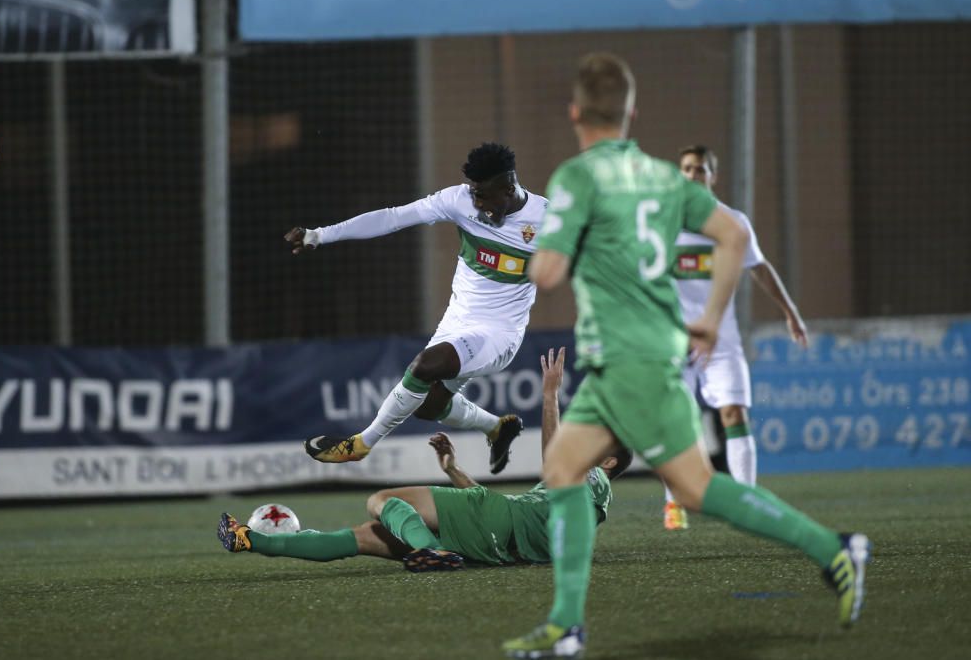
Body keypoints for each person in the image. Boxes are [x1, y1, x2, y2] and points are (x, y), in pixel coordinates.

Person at [502, 53, 869, 659]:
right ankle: (566, 625)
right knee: (572, 470)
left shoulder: (576, 178)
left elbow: (547, 272)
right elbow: (733, 236)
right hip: (645, 353)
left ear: (574, 114)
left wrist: (545, 238)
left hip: (632, 357)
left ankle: (834, 549)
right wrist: (711, 314)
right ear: (631, 114)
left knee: (685, 487)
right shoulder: (665, 178)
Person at [217, 347, 631, 570]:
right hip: (492, 545)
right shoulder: (576, 499)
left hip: (493, 528)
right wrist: (454, 472)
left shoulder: (595, 481)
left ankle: (430, 550)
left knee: (381, 501)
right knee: (361, 537)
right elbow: (517, 511)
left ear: (609, 463)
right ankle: (251, 540)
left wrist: (549, 397)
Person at [283, 143, 545, 475]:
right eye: (475, 194)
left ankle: (361, 444)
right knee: (429, 407)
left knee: (425, 365)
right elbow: (394, 217)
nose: (478, 204)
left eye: (485, 196)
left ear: (509, 188)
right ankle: (497, 428)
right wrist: (320, 235)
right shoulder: (459, 200)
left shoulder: (548, 222)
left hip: (499, 333)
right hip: (456, 322)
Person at [663, 144, 810, 531]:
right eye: (687, 169)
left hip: (721, 338)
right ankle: (673, 501)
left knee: (734, 414)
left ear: (714, 176)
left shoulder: (732, 222)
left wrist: (790, 313)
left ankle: (748, 504)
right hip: (673, 339)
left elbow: (759, 269)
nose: (693, 175)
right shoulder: (661, 222)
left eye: (701, 170)